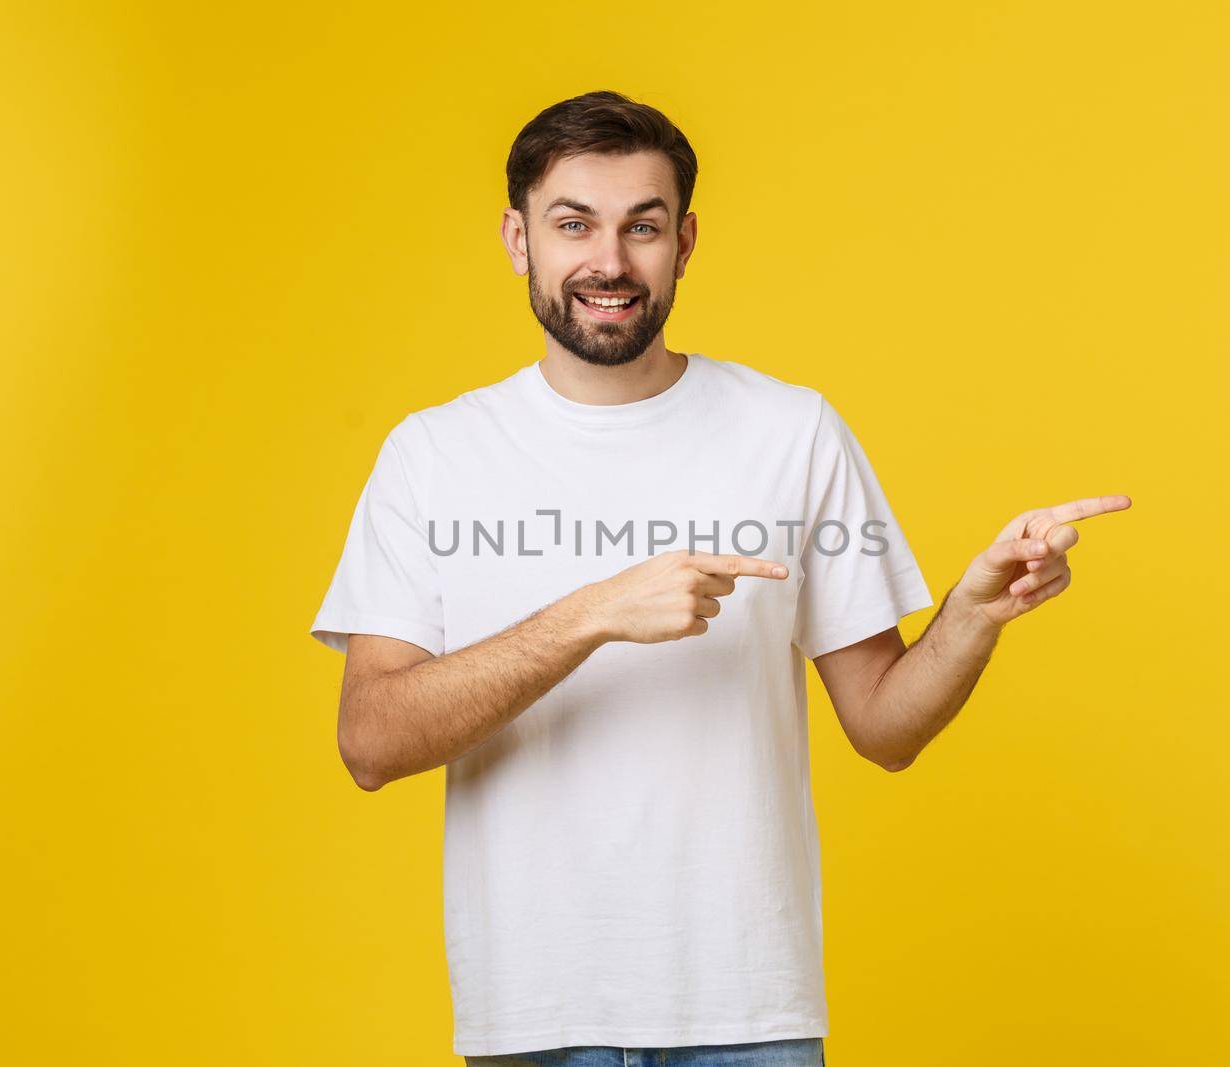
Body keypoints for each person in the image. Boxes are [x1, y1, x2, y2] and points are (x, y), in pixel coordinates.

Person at [309, 89, 1131, 1066]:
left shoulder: (790, 431)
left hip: (750, 1017)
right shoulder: (434, 455)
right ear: (517, 238)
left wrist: (973, 614)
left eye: (641, 227)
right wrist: (595, 613)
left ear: (684, 241)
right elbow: (371, 739)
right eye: (573, 224)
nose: (608, 262)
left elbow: (883, 726)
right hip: (537, 1018)